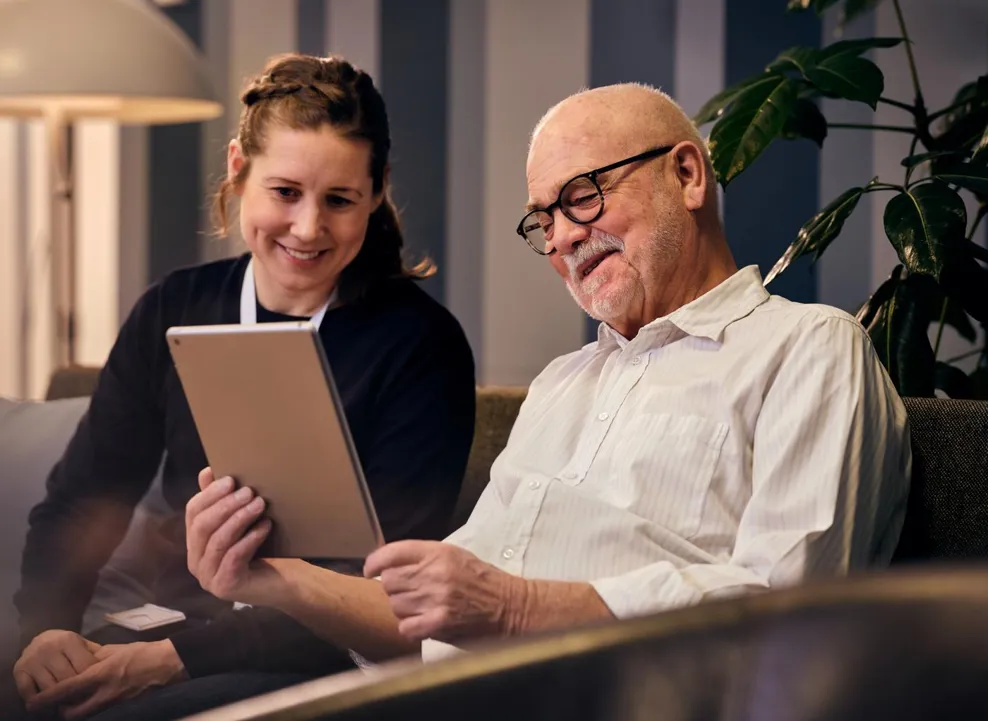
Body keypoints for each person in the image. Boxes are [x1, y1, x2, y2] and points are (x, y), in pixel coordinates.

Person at [183, 83, 911, 670]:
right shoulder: (561, 385)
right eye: (543, 219)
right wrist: (269, 578)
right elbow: (427, 625)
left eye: (583, 195)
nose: (560, 236)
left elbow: (793, 606)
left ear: (686, 175)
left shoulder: (808, 348)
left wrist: (516, 609)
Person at [6, 53, 476, 720]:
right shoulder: (175, 307)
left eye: (339, 199)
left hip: (324, 654)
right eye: (285, 191)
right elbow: (85, 495)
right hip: (172, 623)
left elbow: (390, 594)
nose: (309, 227)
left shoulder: (421, 347)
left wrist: (170, 662)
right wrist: (47, 628)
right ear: (237, 169)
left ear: (377, 191)